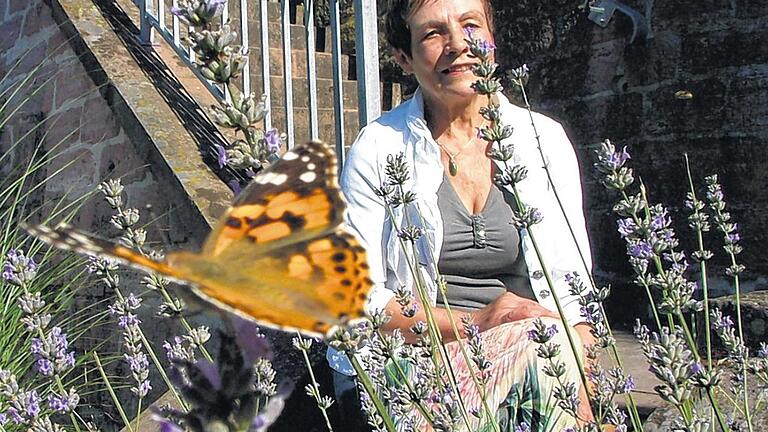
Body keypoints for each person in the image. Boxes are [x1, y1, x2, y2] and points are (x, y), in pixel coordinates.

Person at [327, 0, 596, 429]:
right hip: (410, 357)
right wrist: (480, 321)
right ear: (403, 58)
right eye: (433, 34)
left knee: (545, 345)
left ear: (491, 38)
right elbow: (357, 303)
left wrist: (584, 387)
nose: (457, 44)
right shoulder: (378, 148)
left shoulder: (543, 140)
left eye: (471, 25)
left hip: (536, 357)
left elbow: (573, 289)